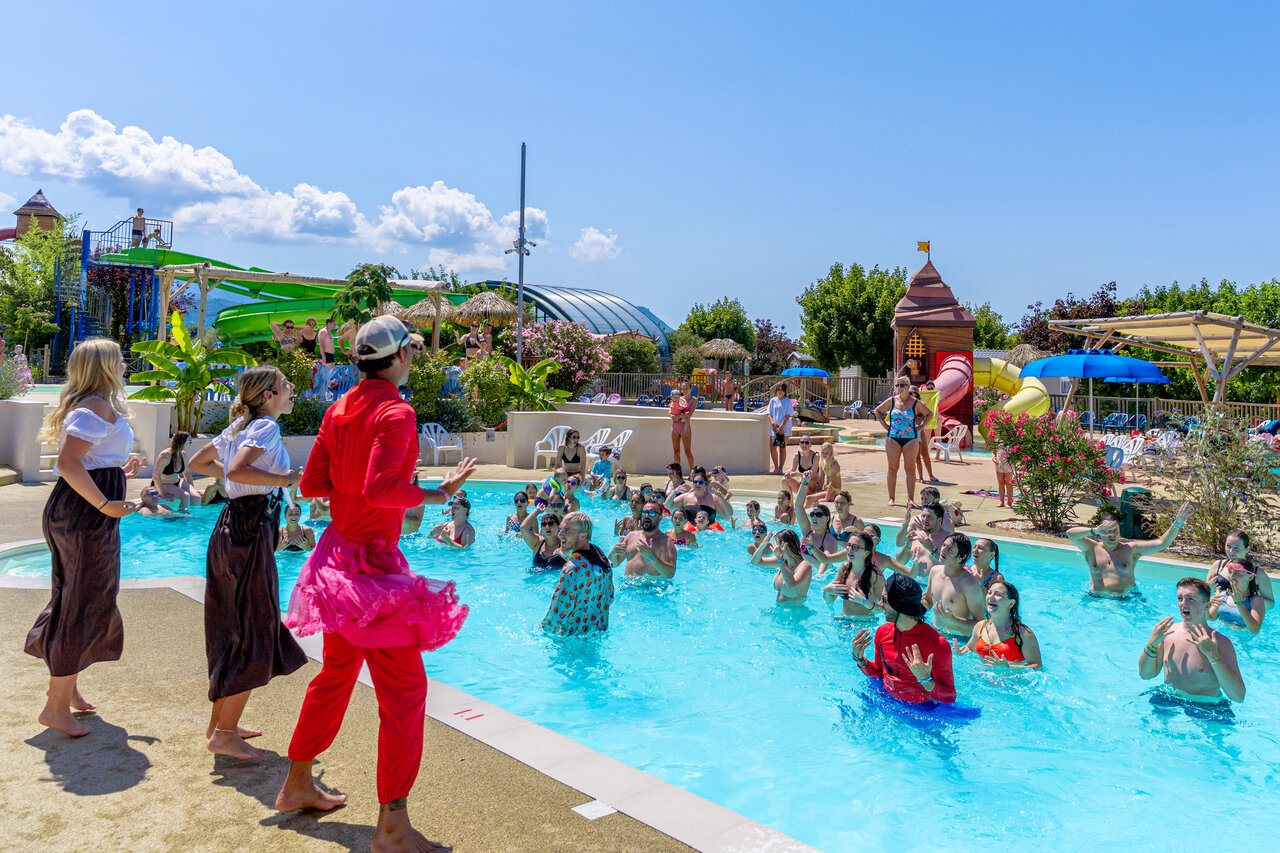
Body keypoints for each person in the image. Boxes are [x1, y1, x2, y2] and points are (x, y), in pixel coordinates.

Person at [275, 316, 474, 851]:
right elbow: (384, 489)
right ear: (401, 356)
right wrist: (436, 493)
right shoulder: (396, 410)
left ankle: (296, 783)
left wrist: (354, 498)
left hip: (337, 560)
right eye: (412, 346)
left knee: (336, 675)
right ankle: (392, 828)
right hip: (372, 573)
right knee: (406, 695)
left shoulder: (338, 408)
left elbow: (315, 483)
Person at [187, 365, 308, 760]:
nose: (292, 388)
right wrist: (286, 479)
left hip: (231, 526)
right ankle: (222, 733)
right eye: (286, 384)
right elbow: (237, 469)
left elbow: (199, 463)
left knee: (232, 624)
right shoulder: (265, 428)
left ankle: (220, 724)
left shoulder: (240, 426)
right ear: (269, 394)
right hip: (250, 529)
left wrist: (237, 481)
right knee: (254, 625)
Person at [26, 339, 142, 737]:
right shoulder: (93, 408)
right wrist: (105, 504)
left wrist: (118, 469)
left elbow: (88, 461)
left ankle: (66, 686)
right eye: (119, 358)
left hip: (84, 509)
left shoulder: (98, 406)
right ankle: (55, 707)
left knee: (78, 593)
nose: (125, 362)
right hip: (83, 514)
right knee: (85, 597)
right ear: (105, 366)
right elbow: (67, 463)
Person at [852, 573, 957, 704]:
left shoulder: (937, 644)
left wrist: (925, 679)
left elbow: (950, 696)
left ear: (899, 605)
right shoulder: (882, 632)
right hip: (886, 700)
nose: (880, 604)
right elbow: (879, 674)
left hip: (920, 712)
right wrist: (860, 659)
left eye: (884, 599)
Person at [1139, 578, 1245, 703]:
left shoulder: (1219, 642)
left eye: (1190, 599)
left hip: (1205, 707)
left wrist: (1214, 657)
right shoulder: (1167, 633)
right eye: (1180, 598)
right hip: (1170, 699)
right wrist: (1152, 644)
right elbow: (1146, 675)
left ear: (1207, 605)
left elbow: (1238, 696)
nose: (1183, 603)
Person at [1066, 502, 1191, 595]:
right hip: (1094, 599)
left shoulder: (1131, 550)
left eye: (1115, 531)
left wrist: (1178, 522)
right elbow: (1070, 534)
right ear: (1100, 532)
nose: (1112, 535)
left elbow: (1162, 543)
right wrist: (1094, 531)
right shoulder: (1091, 548)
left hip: (1125, 601)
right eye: (1107, 531)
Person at [542, 512, 614, 636]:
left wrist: (544, 632)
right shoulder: (603, 561)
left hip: (572, 640)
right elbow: (610, 597)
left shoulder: (572, 569)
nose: (560, 535)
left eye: (567, 530)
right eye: (561, 529)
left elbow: (558, 612)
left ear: (583, 535)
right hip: (597, 634)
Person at [957, 580, 1042, 669]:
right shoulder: (980, 627)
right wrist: (960, 652)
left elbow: (1037, 666)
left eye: (998, 595)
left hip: (1013, 681)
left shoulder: (1023, 633)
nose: (991, 597)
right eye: (989, 593)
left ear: (1011, 603)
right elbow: (969, 647)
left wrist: (1008, 668)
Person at [873, 378, 929, 506]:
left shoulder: (915, 402)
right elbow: (878, 411)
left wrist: (921, 427)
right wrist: (885, 426)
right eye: (897, 385)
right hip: (893, 438)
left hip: (911, 439)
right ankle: (891, 498)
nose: (899, 387)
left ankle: (910, 499)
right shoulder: (892, 401)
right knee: (892, 468)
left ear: (908, 386)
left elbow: (929, 414)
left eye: (902, 385)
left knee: (910, 468)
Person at [922, 533, 987, 639]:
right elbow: (928, 602)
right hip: (936, 633)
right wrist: (915, 601)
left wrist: (953, 620)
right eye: (944, 545)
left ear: (961, 557)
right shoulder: (934, 571)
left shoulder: (969, 584)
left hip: (959, 640)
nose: (943, 550)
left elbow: (980, 624)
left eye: (950, 550)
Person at [1206, 530, 1272, 634]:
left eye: (1237, 548)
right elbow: (1205, 598)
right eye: (1228, 546)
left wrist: (1249, 603)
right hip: (1222, 612)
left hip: (1246, 616)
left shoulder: (1257, 574)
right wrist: (1208, 595)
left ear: (1247, 549)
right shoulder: (1218, 566)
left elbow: (1271, 603)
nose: (1231, 551)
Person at [608, 500, 677, 579]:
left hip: (650, 588)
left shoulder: (666, 542)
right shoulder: (631, 536)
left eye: (652, 513)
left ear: (660, 518)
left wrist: (651, 556)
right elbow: (613, 564)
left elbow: (670, 574)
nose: (647, 516)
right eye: (644, 512)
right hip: (627, 586)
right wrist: (613, 553)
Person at [822, 533, 883, 619]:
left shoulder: (874, 574)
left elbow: (884, 609)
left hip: (865, 625)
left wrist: (864, 601)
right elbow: (830, 600)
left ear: (866, 553)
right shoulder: (845, 568)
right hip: (843, 622)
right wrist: (826, 591)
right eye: (848, 545)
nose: (850, 549)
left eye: (856, 547)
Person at [750, 528, 813, 607]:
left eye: (776, 543)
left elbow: (791, 585)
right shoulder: (783, 561)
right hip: (779, 610)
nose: (774, 546)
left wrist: (780, 560)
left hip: (795, 613)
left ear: (784, 544)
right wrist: (762, 545)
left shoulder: (804, 566)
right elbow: (755, 562)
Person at [796, 474, 844, 568]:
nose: (814, 517)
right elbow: (798, 506)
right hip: (803, 572)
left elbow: (824, 562)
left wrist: (810, 550)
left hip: (821, 576)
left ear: (827, 518)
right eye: (812, 514)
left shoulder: (829, 541)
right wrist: (804, 482)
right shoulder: (806, 531)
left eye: (818, 515)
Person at [665, 466, 733, 526]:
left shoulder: (713, 497)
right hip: (690, 534)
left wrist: (721, 497)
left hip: (708, 534)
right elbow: (667, 506)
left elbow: (729, 513)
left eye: (700, 482)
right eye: (695, 482)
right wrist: (674, 492)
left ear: (705, 484)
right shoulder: (686, 497)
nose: (697, 484)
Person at [895, 503, 949, 577]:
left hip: (932, 585)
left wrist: (931, 549)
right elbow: (900, 562)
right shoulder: (917, 535)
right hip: (913, 583)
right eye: (923, 516)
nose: (925, 520)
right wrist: (907, 545)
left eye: (929, 517)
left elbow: (952, 567)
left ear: (939, 520)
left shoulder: (948, 539)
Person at [153, 430, 201, 510]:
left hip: (177, 481)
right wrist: (163, 493)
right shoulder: (166, 456)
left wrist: (192, 488)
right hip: (164, 484)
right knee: (185, 496)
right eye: (189, 441)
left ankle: (193, 518)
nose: (190, 443)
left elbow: (187, 473)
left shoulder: (182, 454)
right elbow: (156, 476)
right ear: (181, 442)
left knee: (196, 498)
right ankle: (181, 519)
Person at [521, 505, 565, 572]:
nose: (547, 527)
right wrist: (537, 511)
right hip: (535, 580)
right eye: (544, 524)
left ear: (558, 527)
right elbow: (523, 528)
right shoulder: (538, 543)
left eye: (551, 523)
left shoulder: (565, 545)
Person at [804, 442, 842, 509]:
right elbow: (821, 480)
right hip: (827, 489)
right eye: (823, 452)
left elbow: (832, 483)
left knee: (808, 498)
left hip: (835, 491)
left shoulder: (834, 465)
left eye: (826, 452)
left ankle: (802, 517)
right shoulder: (823, 463)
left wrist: (826, 498)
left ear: (831, 453)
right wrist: (817, 491)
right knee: (808, 494)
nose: (824, 454)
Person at [767, 383, 794, 475]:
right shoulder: (773, 400)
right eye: (778, 390)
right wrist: (773, 424)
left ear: (785, 391)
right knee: (772, 447)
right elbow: (769, 414)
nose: (780, 392)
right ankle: (776, 467)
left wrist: (781, 426)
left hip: (784, 427)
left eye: (782, 390)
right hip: (774, 427)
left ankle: (781, 468)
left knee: (782, 447)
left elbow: (788, 415)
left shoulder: (787, 401)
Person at [915, 383, 939, 483]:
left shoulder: (921, 404)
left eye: (914, 394)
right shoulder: (907, 405)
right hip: (913, 432)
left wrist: (921, 424)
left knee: (925, 454)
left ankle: (930, 475)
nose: (913, 395)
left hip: (920, 431)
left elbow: (928, 415)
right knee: (917, 457)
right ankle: (920, 477)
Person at [669, 386, 695, 470]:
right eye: (683, 388)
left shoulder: (694, 400)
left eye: (687, 388)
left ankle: (692, 472)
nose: (685, 390)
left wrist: (677, 416)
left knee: (687, 451)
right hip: (675, 425)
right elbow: (670, 409)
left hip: (685, 426)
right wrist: (671, 415)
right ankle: (677, 472)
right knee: (676, 451)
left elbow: (689, 414)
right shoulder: (677, 398)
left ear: (690, 389)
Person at [316, 317, 338, 398]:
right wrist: (324, 357)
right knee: (325, 376)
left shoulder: (329, 332)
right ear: (328, 323)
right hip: (326, 354)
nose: (335, 325)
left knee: (331, 375)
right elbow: (321, 345)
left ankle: (329, 393)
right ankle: (323, 394)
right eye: (333, 323)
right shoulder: (323, 332)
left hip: (331, 355)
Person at [993, 442, 1014, 508]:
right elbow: (994, 450)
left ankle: (1009, 502)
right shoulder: (997, 439)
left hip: (1008, 463)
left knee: (1008, 483)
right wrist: (993, 457)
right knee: (1001, 483)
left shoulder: (1010, 439)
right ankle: (1001, 502)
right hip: (999, 463)